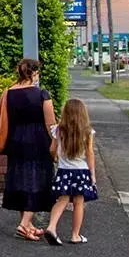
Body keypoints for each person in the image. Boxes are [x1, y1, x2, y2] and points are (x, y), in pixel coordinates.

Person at [0, 59, 56, 240]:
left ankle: (28, 227)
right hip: (37, 140)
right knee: (37, 179)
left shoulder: (9, 93)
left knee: (20, 178)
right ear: (34, 73)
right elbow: (50, 123)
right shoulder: (42, 94)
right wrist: (55, 143)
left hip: (15, 139)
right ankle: (24, 224)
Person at [44, 99, 98, 246]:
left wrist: (55, 157)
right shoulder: (88, 132)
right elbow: (90, 153)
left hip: (64, 171)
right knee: (78, 202)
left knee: (62, 200)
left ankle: (51, 227)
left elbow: (52, 149)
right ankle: (75, 235)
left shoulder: (58, 130)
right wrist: (92, 174)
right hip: (81, 171)